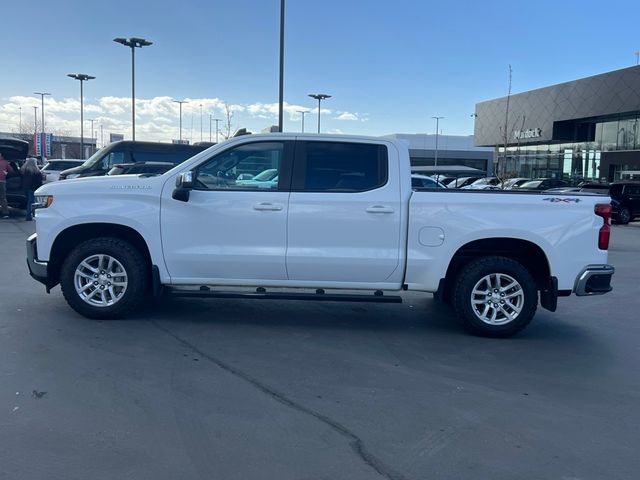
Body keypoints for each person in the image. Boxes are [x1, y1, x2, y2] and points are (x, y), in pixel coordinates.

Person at [0, 153, 15, 219]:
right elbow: (11, 171)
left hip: (2, 181)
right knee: (3, 198)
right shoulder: (5, 162)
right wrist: (6, 173)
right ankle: (5, 213)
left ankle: (5, 213)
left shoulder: (5, 162)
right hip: (2, 181)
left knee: (3, 198)